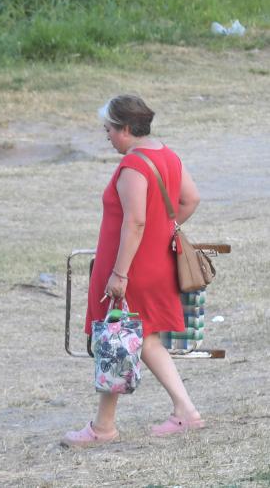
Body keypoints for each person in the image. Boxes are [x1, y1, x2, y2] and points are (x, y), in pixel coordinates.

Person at [62, 95, 204, 447]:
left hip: (131, 268)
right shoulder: (166, 155)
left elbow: (136, 220)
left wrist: (119, 273)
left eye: (109, 129)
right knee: (146, 338)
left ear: (125, 128)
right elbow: (190, 200)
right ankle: (185, 411)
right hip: (154, 261)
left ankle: (103, 427)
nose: (106, 136)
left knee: (115, 336)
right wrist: (163, 233)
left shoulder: (133, 167)